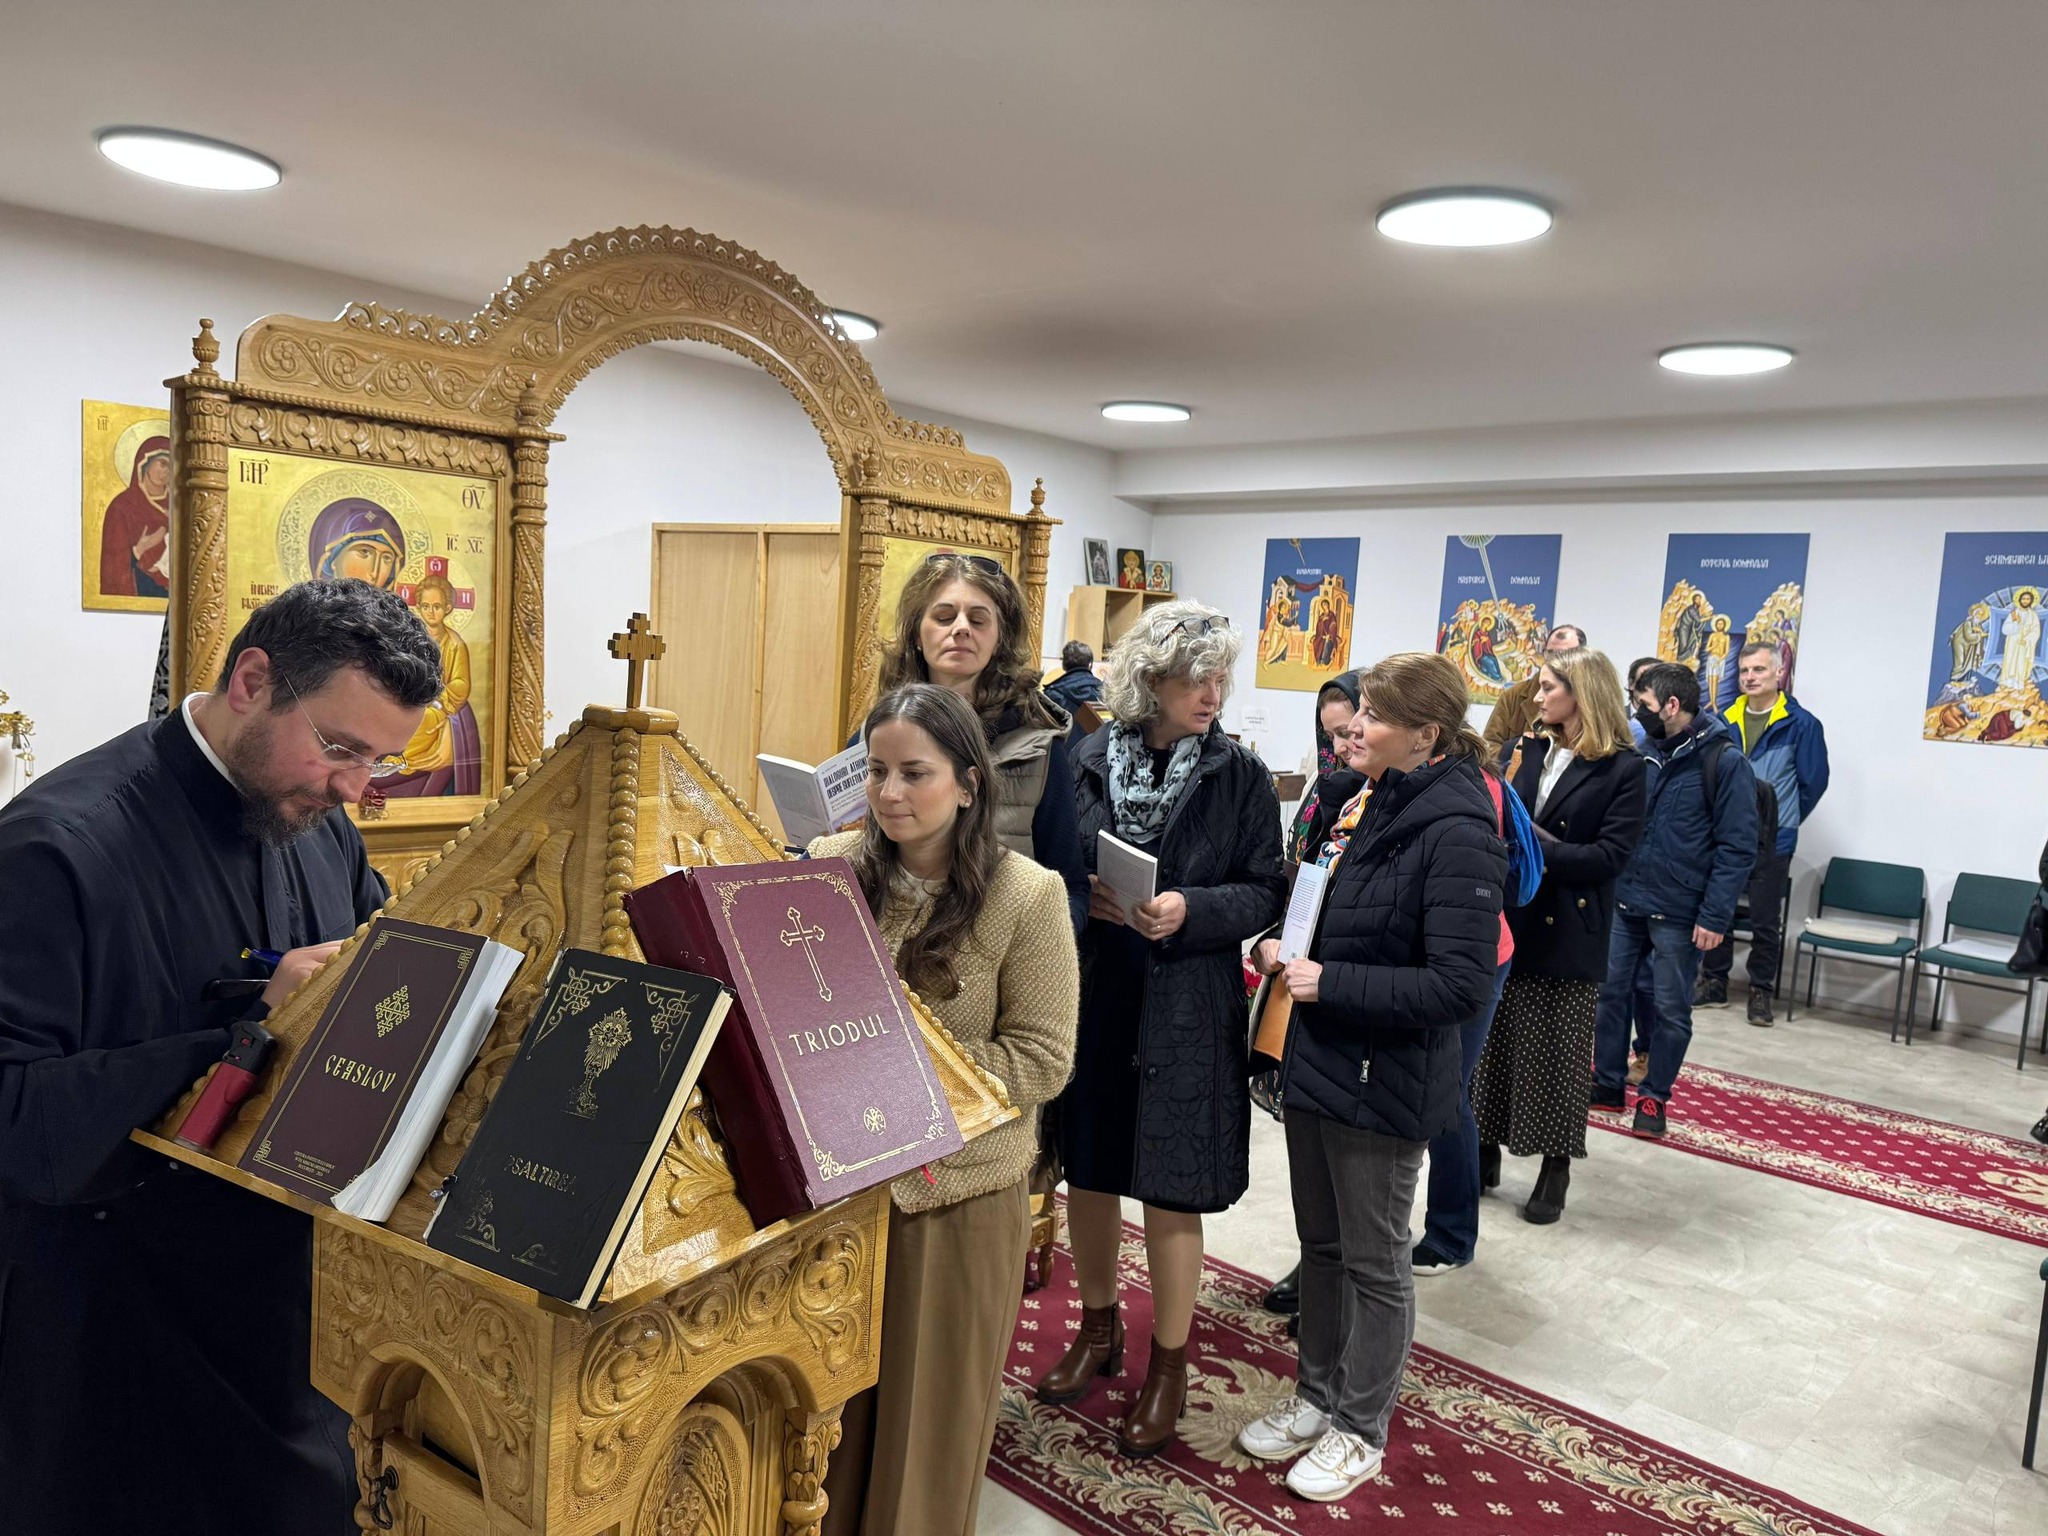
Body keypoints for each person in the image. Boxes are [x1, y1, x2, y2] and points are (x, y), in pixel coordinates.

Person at [0, 579, 442, 1536]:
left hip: (280, 1323)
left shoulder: (319, 829)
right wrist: (244, 1038)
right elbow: (14, 1122)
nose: (354, 790)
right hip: (117, 1343)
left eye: (380, 763)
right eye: (339, 747)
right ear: (252, 679)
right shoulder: (56, 848)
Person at [1235, 652, 1505, 1501]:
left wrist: (1331, 981)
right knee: (1320, 1247)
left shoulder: (1459, 829)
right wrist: (1282, 944)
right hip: (1320, 1058)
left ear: (1426, 734)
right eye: (1356, 713)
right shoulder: (1363, 799)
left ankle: (1360, 1426)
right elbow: (1319, 901)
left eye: (1374, 717)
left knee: (1375, 1261)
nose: (1352, 725)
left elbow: (1460, 986)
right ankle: (1317, 1397)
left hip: (1384, 1075)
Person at [814, 684, 1078, 1536]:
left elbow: (1041, 1060)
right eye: (878, 772)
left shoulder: (1027, 896)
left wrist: (895, 1068)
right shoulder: (830, 866)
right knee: (825, 1423)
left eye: (914, 774)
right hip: (840, 1196)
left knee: (926, 1432)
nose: (890, 794)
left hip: (955, 1196)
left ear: (968, 783)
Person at [1037, 600, 1286, 1457]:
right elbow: (1045, 874)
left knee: (1175, 1187)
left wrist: (1193, 908)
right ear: (1151, 680)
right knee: (1092, 1172)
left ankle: (1168, 1367)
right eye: (1195, 677)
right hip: (1099, 989)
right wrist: (1087, 901)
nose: (1212, 692)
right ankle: (1097, 1331)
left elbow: (1266, 889)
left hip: (1188, 1001)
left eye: (1221, 676)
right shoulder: (1083, 759)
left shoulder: (1240, 776)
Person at [1471, 649, 1646, 1224]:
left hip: (1570, 924)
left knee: (1558, 1055)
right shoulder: (1531, 748)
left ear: (1582, 693)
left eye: (1548, 688)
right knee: (1493, 1046)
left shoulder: (1623, 767)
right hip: (1511, 915)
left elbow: (1610, 857)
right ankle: (1483, 1150)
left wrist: (1536, 844)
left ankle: (1555, 1166)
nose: (1538, 697)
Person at [874, 552, 1087, 934]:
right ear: (916, 635)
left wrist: (1029, 943)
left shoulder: (1038, 746)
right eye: (943, 617)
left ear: (1000, 638)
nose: (960, 629)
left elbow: (1071, 889)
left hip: (998, 958)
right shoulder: (876, 734)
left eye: (977, 619)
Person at [1590, 663, 1758, 1136]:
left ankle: (1653, 1098)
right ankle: (1606, 1082)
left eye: (1642, 705)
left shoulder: (1724, 762)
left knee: (1669, 1009)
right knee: (1609, 995)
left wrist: (1715, 915)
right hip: (1626, 900)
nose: (1635, 713)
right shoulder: (1641, 753)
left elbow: (1737, 846)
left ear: (1671, 706)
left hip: (1681, 910)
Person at [1694, 640, 1829, 1025]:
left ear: (1779, 674)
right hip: (1721, 834)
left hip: (1774, 838)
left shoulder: (1801, 724)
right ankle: (1715, 982)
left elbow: (1812, 783)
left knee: (1765, 920)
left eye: (1759, 670)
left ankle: (1760, 991)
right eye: (1745, 670)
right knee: (1715, 907)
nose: (1750, 677)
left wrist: (1779, 816)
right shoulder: (1722, 720)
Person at [380, 573, 484, 797]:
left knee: (422, 719)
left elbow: (461, 682)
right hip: (410, 697)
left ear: (448, 608)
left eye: (437, 606)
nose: (431, 611)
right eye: (425, 605)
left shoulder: (455, 644)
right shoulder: (410, 639)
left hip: (438, 705)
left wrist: (440, 701)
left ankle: (400, 759)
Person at [98, 433, 172, 599]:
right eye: (163, 464)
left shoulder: (180, 507)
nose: (167, 471)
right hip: (140, 587)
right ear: (145, 463)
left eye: (172, 466)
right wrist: (139, 549)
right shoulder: (122, 507)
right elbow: (112, 566)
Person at [1044, 638, 1104, 723]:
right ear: (1090, 664)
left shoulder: (1051, 694)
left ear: (1063, 665)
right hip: (1099, 736)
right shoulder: (1106, 691)